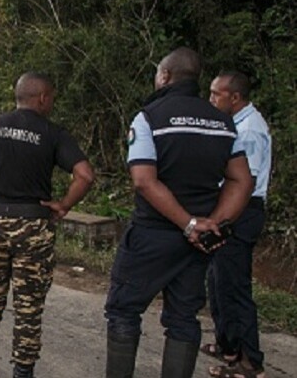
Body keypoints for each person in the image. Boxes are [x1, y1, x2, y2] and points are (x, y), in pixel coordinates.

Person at [103, 48, 253, 378]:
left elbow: (144, 180)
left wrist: (188, 224)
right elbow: (242, 180)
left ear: (166, 76)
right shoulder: (224, 123)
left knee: (124, 310)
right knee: (184, 318)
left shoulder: (150, 117)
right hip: (197, 244)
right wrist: (214, 224)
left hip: (153, 235)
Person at [0, 72, 94, 378]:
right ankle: (23, 371)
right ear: (41, 98)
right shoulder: (53, 133)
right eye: (51, 97)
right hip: (34, 226)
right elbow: (85, 176)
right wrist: (64, 205)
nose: (52, 103)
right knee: (29, 303)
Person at [202, 71, 272, 378]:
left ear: (234, 97)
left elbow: (246, 182)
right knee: (217, 283)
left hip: (241, 210)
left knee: (234, 287)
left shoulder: (250, 130)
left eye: (216, 94)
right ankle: (227, 343)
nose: (211, 100)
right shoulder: (235, 125)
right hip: (230, 206)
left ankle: (249, 361)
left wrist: (223, 219)